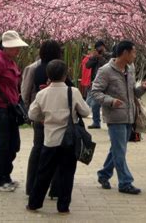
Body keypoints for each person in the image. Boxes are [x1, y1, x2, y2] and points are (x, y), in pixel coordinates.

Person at [26, 59, 90, 214]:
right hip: (69, 141)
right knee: (67, 174)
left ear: (48, 75)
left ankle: (34, 203)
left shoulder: (42, 94)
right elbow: (86, 111)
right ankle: (63, 206)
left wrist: (44, 118)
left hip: (50, 140)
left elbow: (32, 114)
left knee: (43, 173)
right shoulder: (72, 92)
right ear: (65, 74)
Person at [91, 40, 146, 194]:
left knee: (117, 149)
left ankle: (104, 174)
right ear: (125, 53)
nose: (135, 55)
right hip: (115, 117)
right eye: (133, 52)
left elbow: (132, 94)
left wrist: (143, 88)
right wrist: (111, 101)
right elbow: (95, 92)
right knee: (120, 151)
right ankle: (125, 183)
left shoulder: (130, 69)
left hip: (129, 116)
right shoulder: (105, 71)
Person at [0, 30, 28, 192]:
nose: (18, 50)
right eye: (16, 47)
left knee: (13, 145)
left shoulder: (11, 61)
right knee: (2, 145)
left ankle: (6, 176)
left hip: (11, 109)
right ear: (7, 47)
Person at [25, 40, 66, 197]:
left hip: (40, 115)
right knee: (57, 152)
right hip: (58, 118)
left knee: (37, 149)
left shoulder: (34, 68)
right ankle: (55, 190)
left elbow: (25, 91)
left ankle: (31, 187)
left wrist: (32, 109)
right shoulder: (60, 69)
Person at [85, 40, 111, 129]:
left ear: (104, 47)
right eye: (97, 47)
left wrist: (100, 57)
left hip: (108, 83)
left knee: (108, 103)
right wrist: (93, 57)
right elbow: (87, 66)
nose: (99, 49)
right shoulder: (95, 57)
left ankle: (110, 122)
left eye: (101, 47)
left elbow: (108, 66)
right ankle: (96, 122)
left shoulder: (109, 55)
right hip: (96, 83)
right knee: (94, 104)